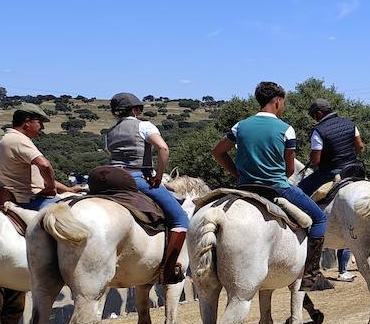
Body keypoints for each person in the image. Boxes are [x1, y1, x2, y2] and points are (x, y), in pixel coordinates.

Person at [211, 81, 329, 310]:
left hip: (245, 187)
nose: (283, 106)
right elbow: (289, 169)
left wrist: (237, 173)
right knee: (320, 219)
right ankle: (311, 275)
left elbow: (217, 152)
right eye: (282, 102)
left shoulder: (240, 126)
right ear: (277, 101)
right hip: (277, 187)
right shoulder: (286, 129)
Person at [0, 103, 81, 324]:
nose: (42, 128)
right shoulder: (20, 140)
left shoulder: (8, 139)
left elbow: (40, 176)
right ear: (27, 121)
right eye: (40, 123)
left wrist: (64, 187)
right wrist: (52, 188)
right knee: (73, 224)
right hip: (29, 201)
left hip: (22, 195)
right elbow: (44, 166)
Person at [103, 92, 190, 284]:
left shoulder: (109, 133)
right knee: (180, 218)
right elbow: (163, 149)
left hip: (111, 179)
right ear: (135, 110)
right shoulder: (144, 125)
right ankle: (167, 270)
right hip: (137, 177)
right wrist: (158, 176)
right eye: (139, 110)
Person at [297, 98, 364, 195]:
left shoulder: (318, 131)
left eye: (313, 116)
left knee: (300, 190)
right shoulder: (349, 123)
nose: (314, 119)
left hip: (331, 172)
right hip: (354, 169)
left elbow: (316, 161)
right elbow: (360, 146)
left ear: (319, 113)